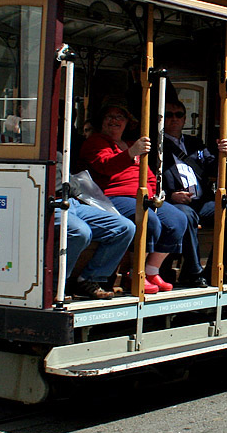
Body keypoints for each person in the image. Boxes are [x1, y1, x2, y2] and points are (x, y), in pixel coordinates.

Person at [81, 98, 189, 294]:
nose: (114, 120)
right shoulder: (95, 142)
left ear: (127, 122)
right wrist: (131, 153)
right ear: (101, 121)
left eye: (120, 117)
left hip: (142, 196)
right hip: (112, 197)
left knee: (178, 220)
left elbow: (148, 176)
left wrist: (154, 195)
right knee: (150, 221)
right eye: (109, 117)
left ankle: (151, 271)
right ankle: (134, 272)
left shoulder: (132, 145)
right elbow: (105, 166)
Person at [161, 99, 227, 287]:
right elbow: (150, 178)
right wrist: (170, 195)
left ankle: (220, 268)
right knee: (185, 215)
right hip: (176, 203)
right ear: (161, 118)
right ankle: (193, 272)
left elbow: (212, 167)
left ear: (184, 120)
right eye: (168, 115)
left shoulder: (194, 143)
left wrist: (225, 155)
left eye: (178, 115)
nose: (174, 119)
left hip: (202, 202)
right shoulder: (157, 147)